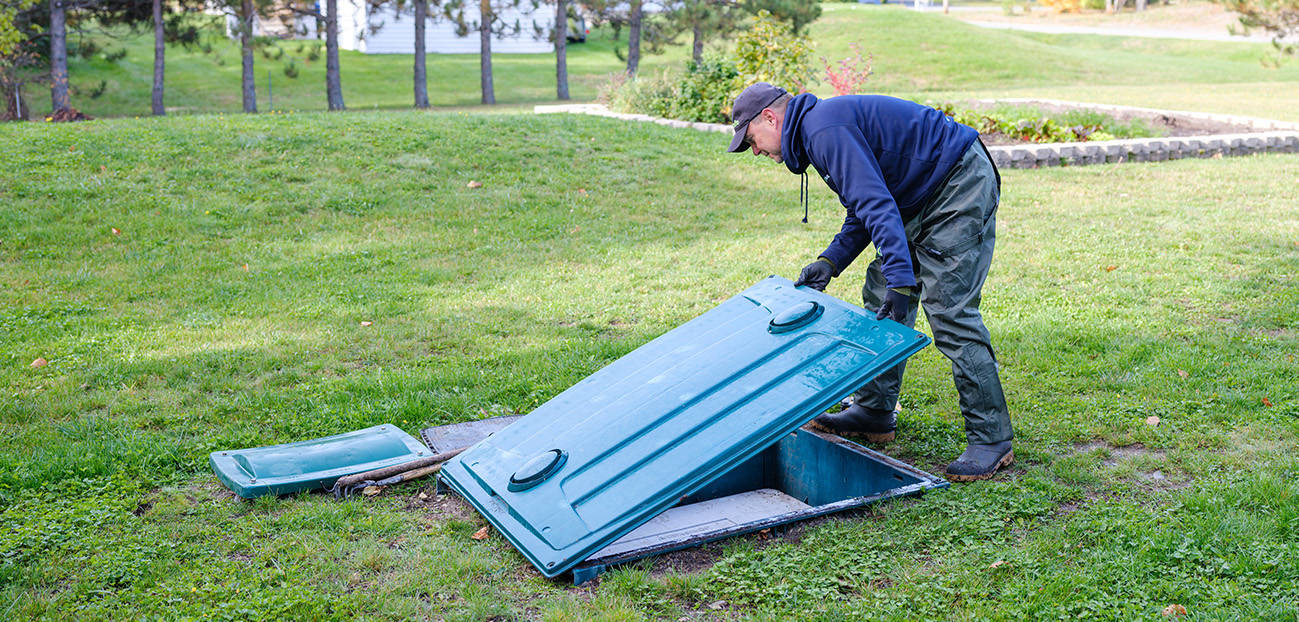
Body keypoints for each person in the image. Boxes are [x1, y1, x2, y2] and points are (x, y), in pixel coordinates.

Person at [727, 82, 1014, 482]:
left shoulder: (823, 130)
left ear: (770, 118)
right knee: (882, 294)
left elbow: (876, 204)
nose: (755, 150)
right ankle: (874, 412)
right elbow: (865, 205)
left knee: (949, 311)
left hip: (957, 184)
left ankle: (991, 439)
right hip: (917, 194)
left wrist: (902, 280)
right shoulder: (818, 130)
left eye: (751, 139)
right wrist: (831, 261)